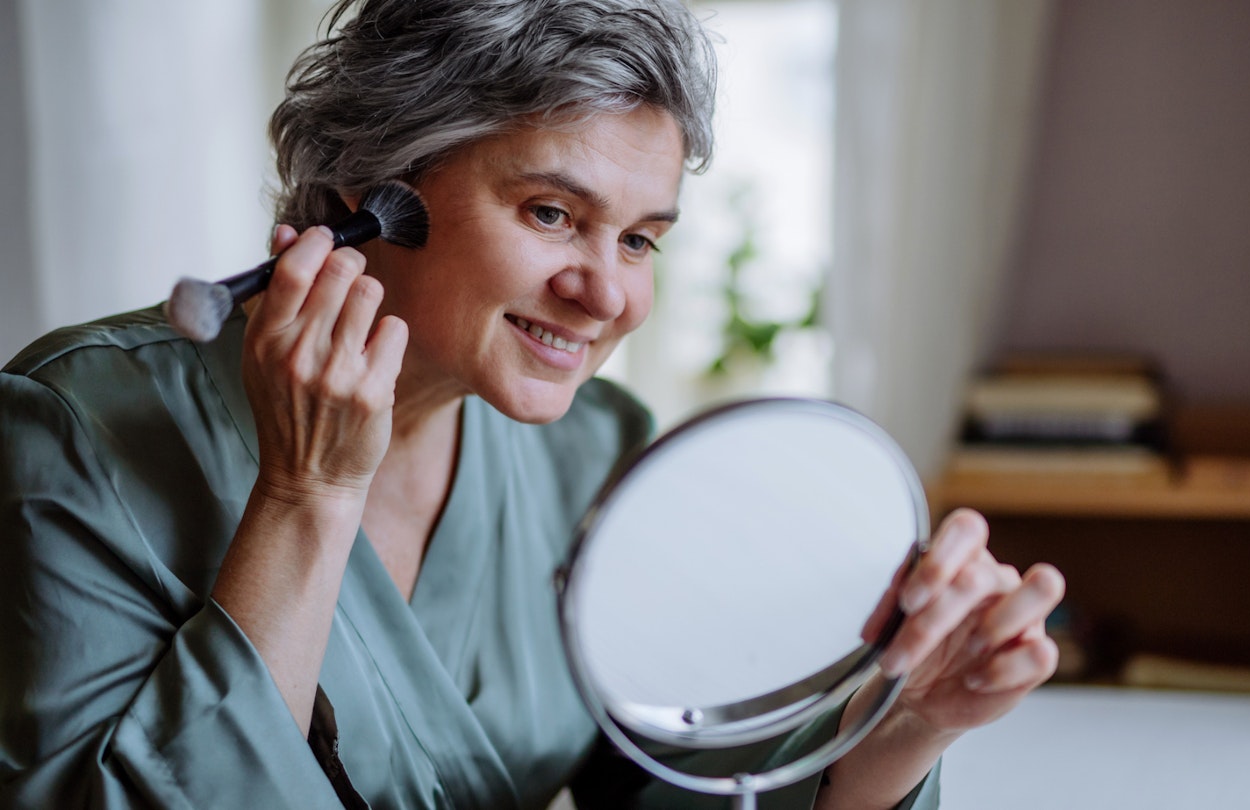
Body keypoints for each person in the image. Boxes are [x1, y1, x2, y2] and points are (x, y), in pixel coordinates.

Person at [0, 0, 1065, 808]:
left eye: (642, 238)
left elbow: (673, 796)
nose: (607, 293)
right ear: (369, 196)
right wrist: (307, 494)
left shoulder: (601, 457)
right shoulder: (72, 432)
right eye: (553, 212)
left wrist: (908, 724)